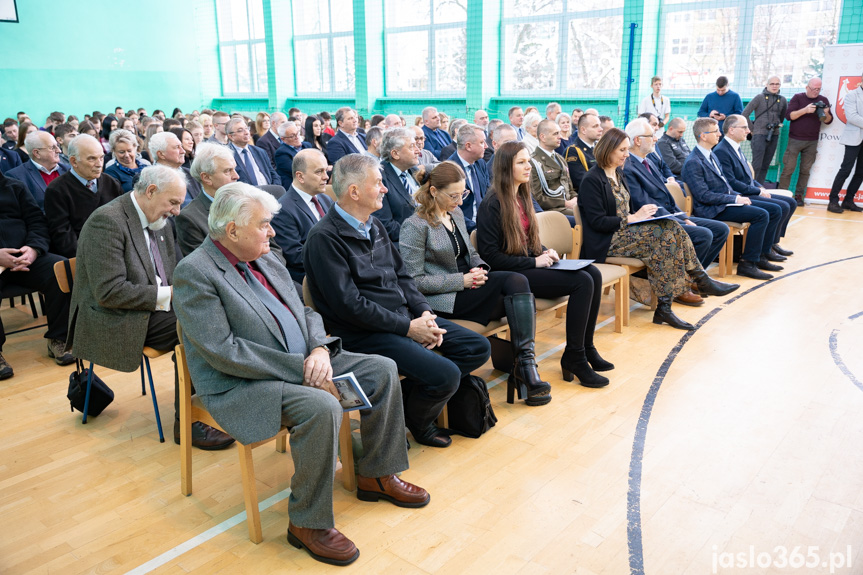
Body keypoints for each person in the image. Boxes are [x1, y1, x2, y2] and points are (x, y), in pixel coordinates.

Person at [173, 182, 427, 566]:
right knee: (321, 406)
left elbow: (306, 311)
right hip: (241, 383)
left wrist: (321, 348)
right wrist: (303, 367)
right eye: (264, 224)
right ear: (233, 231)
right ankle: (307, 522)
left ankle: (377, 474)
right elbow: (224, 352)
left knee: (382, 369)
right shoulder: (195, 273)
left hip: (303, 358)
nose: (272, 231)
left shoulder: (265, 255)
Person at [303, 154, 491, 449]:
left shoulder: (373, 224)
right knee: (446, 375)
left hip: (403, 319)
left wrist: (425, 313)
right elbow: (349, 306)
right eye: (378, 183)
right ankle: (418, 420)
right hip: (365, 333)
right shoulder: (324, 238)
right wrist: (408, 328)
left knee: (477, 348)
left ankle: (403, 405)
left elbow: (404, 277)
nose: (385, 189)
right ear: (354, 192)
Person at [65, 164, 234, 450]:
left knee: (218, 313)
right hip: (114, 316)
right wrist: (173, 296)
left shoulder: (158, 218)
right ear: (151, 191)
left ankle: (217, 400)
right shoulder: (106, 222)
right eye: (173, 202)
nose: (177, 211)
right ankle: (188, 422)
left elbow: (179, 268)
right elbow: (109, 292)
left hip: (153, 306)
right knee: (198, 329)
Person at [399, 161, 551, 405]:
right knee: (517, 286)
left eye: (463, 194)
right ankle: (525, 369)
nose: (460, 201)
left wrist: (479, 268)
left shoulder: (455, 214)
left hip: (469, 287)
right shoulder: (415, 225)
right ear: (434, 191)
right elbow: (413, 282)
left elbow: (472, 252)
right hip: (444, 298)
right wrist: (462, 279)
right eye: (454, 195)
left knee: (517, 290)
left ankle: (525, 365)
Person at [477, 141, 612, 385]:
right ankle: (575, 357)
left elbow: (527, 241)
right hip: (512, 275)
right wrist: (535, 262)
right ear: (506, 168)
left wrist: (544, 251)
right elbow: (491, 258)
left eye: (528, 160)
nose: (528, 166)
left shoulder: (521, 194)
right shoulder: (492, 204)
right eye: (521, 162)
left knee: (593, 273)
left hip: (527, 264)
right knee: (582, 281)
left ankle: (586, 347)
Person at [579, 128, 737, 331]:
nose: (627, 154)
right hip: (606, 241)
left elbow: (629, 209)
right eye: (622, 150)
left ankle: (667, 305)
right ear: (607, 150)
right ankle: (694, 283)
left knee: (668, 228)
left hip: (626, 233)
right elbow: (597, 222)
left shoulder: (618, 173)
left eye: (627, 149)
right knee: (662, 237)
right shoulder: (592, 179)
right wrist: (633, 217)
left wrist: (642, 215)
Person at [622, 119, 732, 280]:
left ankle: (691, 279)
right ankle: (682, 282)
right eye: (651, 135)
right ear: (638, 140)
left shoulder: (649, 161)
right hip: (654, 220)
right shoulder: (628, 167)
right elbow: (644, 203)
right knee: (704, 235)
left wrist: (683, 217)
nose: (656, 138)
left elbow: (667, 198)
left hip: (669, 215)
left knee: (721, 229)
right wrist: (676, 219)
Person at [681, 118, 782, 281]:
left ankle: (755, 258)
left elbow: (725, 184)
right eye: (715, 132)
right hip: (711, 209)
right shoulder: (693, 161)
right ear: (703, 136)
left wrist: (736, 197)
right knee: (761, 215)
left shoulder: (710, 155)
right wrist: (734, 199)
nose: (720, 134)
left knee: (764, 212)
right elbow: (703, 196)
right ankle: (748, 264)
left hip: (723, 203)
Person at [0, 169, 74, 379]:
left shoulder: (15, 186)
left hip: (25, 255)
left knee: (60, 269)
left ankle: (59, 338)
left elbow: (37, 222)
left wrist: (33, 249)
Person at [714, 115, 797, 255]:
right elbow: (731, 183)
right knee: (779, 207)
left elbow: (748, 176)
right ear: (732, 130)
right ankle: (765, 249)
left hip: (748, 190)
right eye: (745, 127)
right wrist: (757, 191)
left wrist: (760, 187)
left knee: (790, 202)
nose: (748, 130)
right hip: (740, 194)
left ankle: (772, 242)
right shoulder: (722, 151)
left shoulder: (735, 147)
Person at [43, 134, 124, 258]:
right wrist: (89, 258)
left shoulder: (112, 183)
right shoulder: (57, 190)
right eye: (92, 159)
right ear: (74, 161)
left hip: (115, 250)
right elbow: (62, 235)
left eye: (101, 158)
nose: (99, 164)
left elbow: (124, 221)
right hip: (82, 256)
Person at [271, 148, 333, 285]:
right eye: (319, 172)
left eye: (326, 170)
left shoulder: (325, 199)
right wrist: (338, 257)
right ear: (300, 176)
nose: (326, 177)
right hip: (314, 277)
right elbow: (296, 257)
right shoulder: (283, 210)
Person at [778, 78, 833, 206]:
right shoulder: (797, 98)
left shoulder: (823, 100)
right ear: (807, 87)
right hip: (795, 140)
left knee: (805, 170)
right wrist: (805, 110)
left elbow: (828, 121)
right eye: (814, 88)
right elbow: (789, 116)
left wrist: (826, 113)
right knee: (788, 169)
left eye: (818, 89)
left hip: (812, 141)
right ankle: (782, 195)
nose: (816, 91)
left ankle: (799, 196)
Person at [373, 127, 422, 243]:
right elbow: (385, 225)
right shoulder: (379, 179)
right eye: (411, 146)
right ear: (395, 154)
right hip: (402, 246)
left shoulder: (414, 172)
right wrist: (422, 234)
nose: (418, 150)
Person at [5, 131, 70, 211]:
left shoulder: (68, 170)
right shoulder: (16, 176)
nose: (59, 151)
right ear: (37, 153)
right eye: (52, 147)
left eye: (58, 146)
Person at [827, 77, 863, 213]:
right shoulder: (852, 95)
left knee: (861, 172)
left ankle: (848, 201)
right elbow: (852, 117)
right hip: (853, 138)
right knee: (845, 170)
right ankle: (833, 201)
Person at [741, 76, 787, 183]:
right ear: (766, 85)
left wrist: (776, 125)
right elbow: (744, 114)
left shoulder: (783, 100)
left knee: (766, 164)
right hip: (759, 135)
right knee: (757, 164)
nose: (774, 86)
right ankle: (751, 187)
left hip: (774, 134)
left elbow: (782, 117)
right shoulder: (759, 98)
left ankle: (760, 188)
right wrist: (752, 130)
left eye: (777, 84)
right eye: (772, 84)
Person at [446, 123, 489, 231]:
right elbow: (450, 210)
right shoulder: (449, 169)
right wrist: (476, 228)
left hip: (484, 224)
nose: (486, 146)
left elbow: (487, 194)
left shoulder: (480, 163)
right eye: (481, 142)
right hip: (462, 229)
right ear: (468, 146)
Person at [530, 119, 576, 219]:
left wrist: (575, 198)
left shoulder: (560, 159)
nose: (560, 136)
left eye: (559, 133)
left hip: (569, 206)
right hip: (553, 211)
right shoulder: (534, 162)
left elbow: (569, 188)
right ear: (543, 137)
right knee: (586, 219)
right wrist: (566, 203)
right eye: (555, 134)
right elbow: (537, 198)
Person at [149, 131, 203, 206]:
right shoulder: (149, 179)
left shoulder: (191, 174)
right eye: (177, 147)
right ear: (161, 154)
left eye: (181, 146)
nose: (183, 151)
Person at [226, 118, 281, 187]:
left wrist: (274, 188)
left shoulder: (260, 151)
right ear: (231, 136)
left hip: (268, 193)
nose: (246, 132)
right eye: (240, 131)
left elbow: (273, 173)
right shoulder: (226, 154)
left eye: (246, 128)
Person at [564, 113, 602, 193]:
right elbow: (580, 181)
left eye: (600, 125)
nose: (600, 129)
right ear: (583, 130)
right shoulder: (573, 151)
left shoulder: (597, 148)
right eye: (595, 126)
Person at [274, 121, 313, 189]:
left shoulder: (307, 145)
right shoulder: (281, 153)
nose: (297, 137)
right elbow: (296, 171)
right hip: (295, 187)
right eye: (292, 136)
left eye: (298, 133)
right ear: (283, 139)